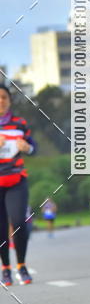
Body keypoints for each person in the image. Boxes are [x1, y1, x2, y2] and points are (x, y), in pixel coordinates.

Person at [0, 84, 37, 286]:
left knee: (19, 221)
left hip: (16, 180)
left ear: (9, 100)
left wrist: (28, 147)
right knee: (0, 227)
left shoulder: (19, 123)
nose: (1, 101)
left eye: (4, 97)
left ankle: (21, 266)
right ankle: (5, 268)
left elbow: (34, 147)